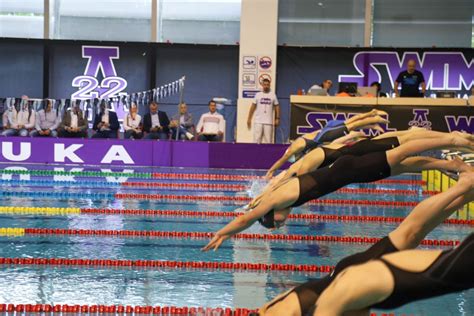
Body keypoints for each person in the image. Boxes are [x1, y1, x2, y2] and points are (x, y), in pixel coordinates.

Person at [201, 132, 473, 251]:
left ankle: (452, 140)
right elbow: (254, 213)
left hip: (349, 170)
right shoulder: (280, 194)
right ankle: (450, 164)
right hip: (347, 169)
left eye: (278, 221)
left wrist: (223, 233)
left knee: (400, 153)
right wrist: (254, 207)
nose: (284, 221)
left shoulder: (277, 199)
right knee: (400, 164)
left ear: (273, 214)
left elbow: (245, 219)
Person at [256, 171, 474, 316]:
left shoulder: (281, 312)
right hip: (355, 280)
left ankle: (464, 187)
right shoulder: (273, 308)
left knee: (412, 231)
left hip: (359, 280)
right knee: (413, 231)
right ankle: (465, 190)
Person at [265, 109, 388, 179]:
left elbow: (282, 160)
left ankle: (374, 119)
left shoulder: (296, 148)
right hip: (328, 128)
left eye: (295, 158)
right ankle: (372, 118)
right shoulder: (301, 144)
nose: (297, 159)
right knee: (352, 121)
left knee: (353, 125)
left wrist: (270, 171)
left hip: (327, 134)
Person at [247, 79, 280, 144]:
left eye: (267, 85)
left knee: (268, 141)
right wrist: (249, 118)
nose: (266, 86)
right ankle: (255, 153)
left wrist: (277, 118)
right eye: (264, 85)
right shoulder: (258, 95)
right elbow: (252, 107)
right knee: (256, 140)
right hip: (258, 121)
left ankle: (268, 154)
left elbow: (277, 106)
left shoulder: (273, 95)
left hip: (268, 122)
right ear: (262, 85)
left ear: (269, 85)